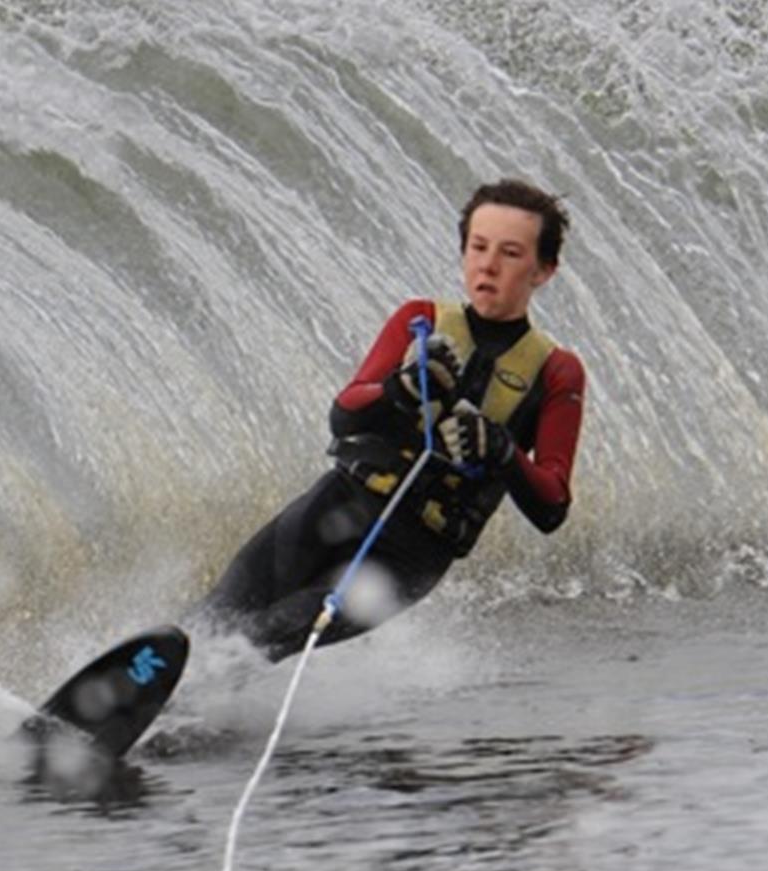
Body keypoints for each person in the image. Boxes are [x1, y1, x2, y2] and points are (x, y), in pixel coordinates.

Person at [195, 178, 587, 662]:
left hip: (409, 555)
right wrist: (398, 389)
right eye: (478, 247)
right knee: (213, 618)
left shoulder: (556, 371)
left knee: (271, 632)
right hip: (335, 505)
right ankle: (134, 699)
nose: (488, 264)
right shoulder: (418, 320)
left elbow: (552, 507)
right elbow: (344, 416)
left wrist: (501, 448)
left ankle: (185, 712)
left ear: (544, 270)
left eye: (510, 253)